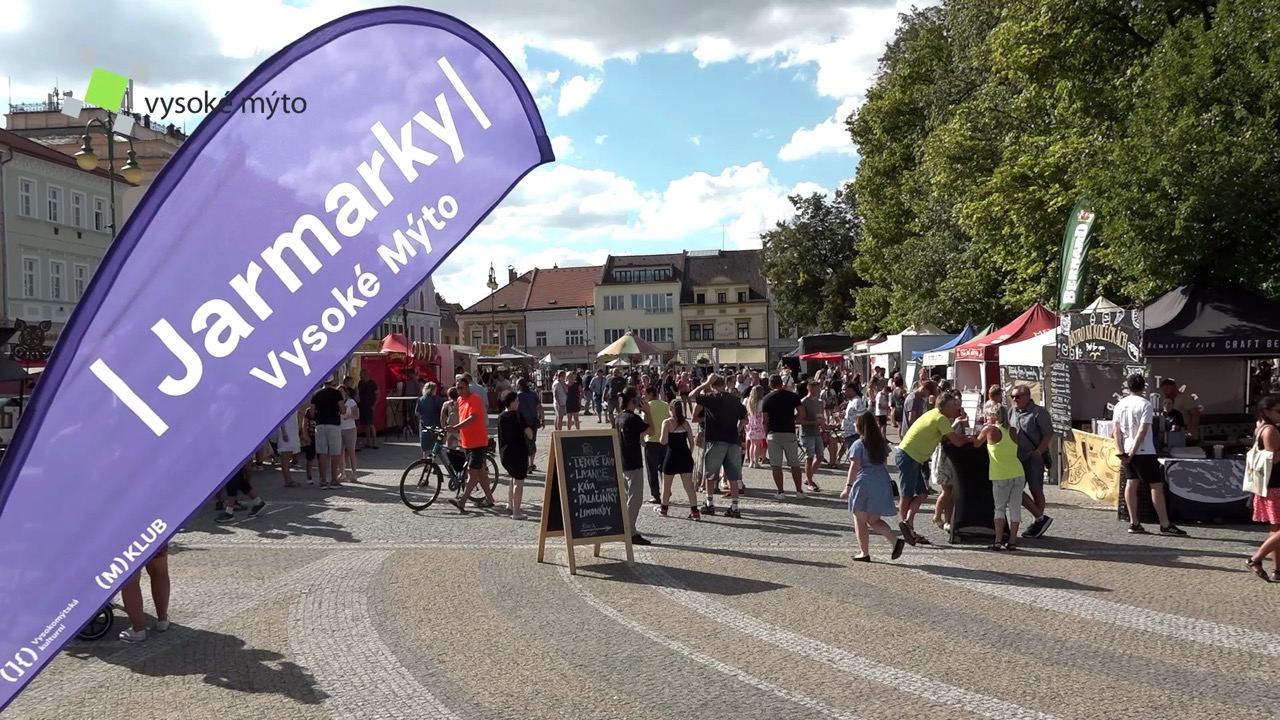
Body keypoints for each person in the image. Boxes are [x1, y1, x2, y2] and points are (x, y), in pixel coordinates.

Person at [1112, 374, 1186, 536]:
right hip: (1144, 451)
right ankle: (1165, 524)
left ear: (1128, 387)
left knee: (1131, 484)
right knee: (1156, 486)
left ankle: (1134, 522)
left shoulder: (1120, 404)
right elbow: (1143, 430)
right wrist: (1133, 451)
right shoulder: (1145, 404)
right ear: (1143, 387)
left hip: (1125, 450)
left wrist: (1121, 450)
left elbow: (1116, 430)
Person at [895, 393, 971, 545]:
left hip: (914, 457)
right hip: (909, 456)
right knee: (907, 495)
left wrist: (955, 424)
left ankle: (908, 523)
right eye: (953, 405)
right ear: (946, 406)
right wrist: (975, 439)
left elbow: (943, 437)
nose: (956, 408)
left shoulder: (935, 415)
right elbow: (956, 442)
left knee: (922, 494)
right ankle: (906, 529)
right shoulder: (940, 418)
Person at [841, 412, 905, 562]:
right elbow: (884, 464)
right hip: (881, 480)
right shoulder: (881, 443)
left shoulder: (858, 444)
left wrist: (848, 487)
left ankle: (864, 552)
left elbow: (854, 467)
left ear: (861, 426)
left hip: (864, 482)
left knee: (860, 519)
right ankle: (895, 540)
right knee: (874, 519)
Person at [691, 373, 747, 518]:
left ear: (713, 386)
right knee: (734, 476)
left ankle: (709, 504)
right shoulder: (735, 400)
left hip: (716, 440)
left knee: (711, 474)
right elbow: (744, 419)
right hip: (733, 440)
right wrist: (737, 430)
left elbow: (691, 395)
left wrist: (705, 384)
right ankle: (734, 507)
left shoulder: (712, 398)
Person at [973, 402, 1024, 550]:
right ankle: (1013, 541)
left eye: (989, 414)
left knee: (999, 508)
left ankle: (998, 540)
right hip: (1018, 472)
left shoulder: (989, 430)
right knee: (1015, 508)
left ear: (995, 416)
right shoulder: (1013, 430)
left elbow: (976, 444)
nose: (987, 417)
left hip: (1001, 475)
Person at [1008, 385, 1055, 538]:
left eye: (1017, 397)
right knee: (1015, 489)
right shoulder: (1012, 412)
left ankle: (1037, 523)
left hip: (1033, 457)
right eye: (1012, 397)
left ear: (1027, 396)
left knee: (1036, 489)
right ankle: (1040, 518)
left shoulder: (1039, 413)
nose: (1014, 400)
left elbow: (1047, 434)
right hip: (1017, 457)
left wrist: (1039, 451)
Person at [446, 375, 497, 513]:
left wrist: (456, 427)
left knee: (472, 472)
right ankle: (490, 499)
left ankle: (462, 501)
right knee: (480, 472)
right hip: (468, 442)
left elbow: (473, 418)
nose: (460, 390)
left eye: (462, 387)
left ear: (468, 387)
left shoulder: (475, 398)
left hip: (478, 441)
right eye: (457, 388)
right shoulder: (460, 400)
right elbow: (460, 417)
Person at [1246, 395, 1280, 581]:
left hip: (1270, 485)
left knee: (1276, 529)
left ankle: (1278, 571)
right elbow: (1272, 459)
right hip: (1276, 485)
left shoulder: (1261, 428)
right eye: (1278, 411)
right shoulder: (1270, 430)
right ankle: (1256, 558)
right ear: (1267, 411)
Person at [614, 387, 653, 545]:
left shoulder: (619, 417)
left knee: (625, 497)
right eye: (637, 398)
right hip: (633, 461)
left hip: (621, 461)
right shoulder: (633, 418)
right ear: (633, 400)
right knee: (635, 498)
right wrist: (648, 412)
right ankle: (629, 531)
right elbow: (651, 429)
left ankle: (625, 527)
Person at [761, 374, 805, 497]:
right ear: (782, 383)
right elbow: (802, 413)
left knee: (776, 465)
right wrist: (794, 419)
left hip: (773, 433)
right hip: (789, 431)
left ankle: (780, 491)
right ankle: (799, 490)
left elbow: (764, 420)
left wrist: (766, 433)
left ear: (770, 385)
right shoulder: (792, 396)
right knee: (794, 464)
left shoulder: (767, 398)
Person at [118, 542, 171, 642]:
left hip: (125, 535)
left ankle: (138, 629)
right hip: (151, 532)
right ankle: (162, 619)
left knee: (130, 579)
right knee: (160, 572)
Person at [657, 399, 701, 519]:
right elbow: (692, 442)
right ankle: (695, 511)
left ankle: (664, 509)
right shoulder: (685, 423)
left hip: (671, 456)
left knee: (666, 487)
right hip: (685, 456)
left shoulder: (667, 423)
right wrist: (689, 453)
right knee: (689, 487)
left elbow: (663, 441)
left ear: (671, 409)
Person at [497, 391, 532, 520]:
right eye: (517, 400)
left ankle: (510, 505)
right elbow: (529, 434)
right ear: (511, 402)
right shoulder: (518, 415)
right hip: (518, 453)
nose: (518, 402)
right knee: (519, 482)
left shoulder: (500, 417)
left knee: (512, 479)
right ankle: (517, 512)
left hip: (505, 453)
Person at [310, 378, 345, 488]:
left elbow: (311, 413)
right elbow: (343, 410)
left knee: (322, 453)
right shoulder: (337, 394)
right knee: (334, 453)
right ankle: (334, 479)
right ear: (333, 381)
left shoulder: (316, 394)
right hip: (334, 424)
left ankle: (323, 480)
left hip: (320, 424)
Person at [642, 385, 670, 504]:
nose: (643, 396)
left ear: (651, 394)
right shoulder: (666, 405)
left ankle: (656, 495)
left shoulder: (647, 407)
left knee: (651, 470)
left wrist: (641, 439)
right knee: (664, 469)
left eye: (645, 394)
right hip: (665, 441)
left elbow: (645, 423)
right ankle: (666, 491)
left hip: (651, 441)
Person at [516, 379, 542, 472]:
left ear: (519, 385)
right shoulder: (533, 394)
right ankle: (531, 464)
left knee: (523, 444)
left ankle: (526, 465)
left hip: (522, 423)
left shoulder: (518, 395)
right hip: (533, 422)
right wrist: (542, 419)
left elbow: (515, 409)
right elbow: (539, 407)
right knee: (532, 442)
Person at [418, 382, 446, 460]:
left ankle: (425, 462)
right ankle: (433, 464)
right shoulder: (438, 399)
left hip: (424, 424)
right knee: (434, 446)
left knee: (425, 446)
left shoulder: (421, 399)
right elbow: (442, 411)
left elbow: (417, 412)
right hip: (435, 424)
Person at [339, 384, 359, 483]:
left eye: (342, 391)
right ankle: (342, 473)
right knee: (340, 452)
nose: (340, 393)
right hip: (338, 429)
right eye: (338, 392)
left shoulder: (351, 402)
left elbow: (357, 415)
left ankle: (354, 473)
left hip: (350, 428)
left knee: (351, 451)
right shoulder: (336, 403)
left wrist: (349, 416)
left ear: (345, 392)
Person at [276, 409, 301, 488]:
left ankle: (289, 479)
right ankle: (287, 480)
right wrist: (283, 432)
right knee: (285, 456)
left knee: (289, 455)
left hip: (292, 431)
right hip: (286, 432)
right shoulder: (284, 406)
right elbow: (280, 419)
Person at [744, 385, 767, 469]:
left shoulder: (747, 400)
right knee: (757, 444)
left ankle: (751, 461)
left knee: (752, 444)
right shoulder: (761, 402)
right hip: (758, 423)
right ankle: (756, 462)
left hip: (750, 423)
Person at [356, 368, 379, 449]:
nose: (360, 376)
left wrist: (374, 405)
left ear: (366, 374)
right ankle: (368, 442)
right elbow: (358, 393)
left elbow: (377, 394)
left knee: (371, 424)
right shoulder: (360, 383)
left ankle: (374, 442)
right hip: (362, 406)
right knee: (365, 425)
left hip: (369, 406)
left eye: (361, 374)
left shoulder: (372, 383)